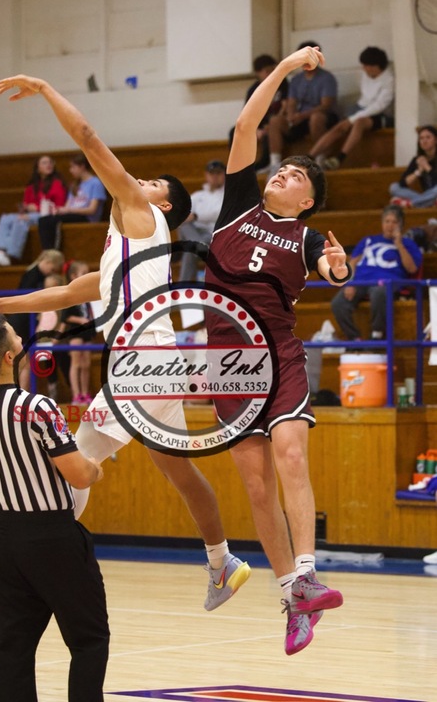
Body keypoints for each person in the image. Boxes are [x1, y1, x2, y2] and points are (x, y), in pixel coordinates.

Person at [0, 72, 251, 613]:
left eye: (153, 183)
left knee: (73, 459)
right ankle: (222, 561)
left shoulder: (140, 214)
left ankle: (37, 560)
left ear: (162, 206)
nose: (140, 181)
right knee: (176, 470)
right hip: (155, 363)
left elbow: (88, 139)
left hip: (144, 362)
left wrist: (46, 90)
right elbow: (68, 293)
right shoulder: (127, 250)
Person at [204, 44, 350, 656]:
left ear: (307, 200)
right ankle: (293, 597)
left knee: (291, 456)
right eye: (280, 170)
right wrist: (287, 67)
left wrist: (338, 269)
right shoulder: (237, 206)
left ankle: (308, 574)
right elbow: (246, 124)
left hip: (280, 355)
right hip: (227, 363)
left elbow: (332, 268)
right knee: (258, 489)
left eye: (295, 177)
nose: (282, 176)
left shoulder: (308, 235)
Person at [0, 314, 109, 701]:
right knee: (89, 639)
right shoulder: (37, 407)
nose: (21, 336)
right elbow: (79, 476)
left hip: (0, 540)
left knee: (10, 651)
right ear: (9, 356)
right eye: (15, 334)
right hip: (53, 538)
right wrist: (95, 466)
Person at [331, 204, 422, 342]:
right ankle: (354, 339)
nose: (390, 225)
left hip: (388, 282)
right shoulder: (368, 241)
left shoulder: (408, 244)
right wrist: (350, 282)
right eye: (387, 221)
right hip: (361, 281)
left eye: (394, 222)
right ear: (382, 223)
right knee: (338, 303)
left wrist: (399, 245)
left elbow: (412, 269)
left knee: (379, 292)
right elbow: (352, 263)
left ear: (401, 225)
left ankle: (377, 335)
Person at [309, 46, 394, 171]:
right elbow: (364, 99)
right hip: (362, 108)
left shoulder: (389, 80)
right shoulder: (366, 75)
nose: (364, 68)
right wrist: (351, 117)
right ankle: (309, 156)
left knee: (359, 123)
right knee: (340, 127)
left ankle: (340, 158)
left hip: (380, 114)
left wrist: (353, 118)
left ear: (375, 66)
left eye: (366, 66)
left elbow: (379, 106)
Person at [266, 40, 338, 175]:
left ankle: (320, 160)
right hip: (300, 118)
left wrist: (303, 115)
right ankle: (275, 164)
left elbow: (326, 105)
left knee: (316, 118)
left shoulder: (327, 78)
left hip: (321, 117)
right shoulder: (296, 79)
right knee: (275, 121)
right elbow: (292, 102)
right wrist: (291, 116)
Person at [0, 154, 67, 266]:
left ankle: (10, 255)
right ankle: (0, 252)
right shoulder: (31, 186)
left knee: (21, 220)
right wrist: (26, 208)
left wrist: (37, 208)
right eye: (44, 163)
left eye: (50, 162)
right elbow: (26, 203)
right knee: (6, 218)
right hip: (31, 214)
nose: (48, 165)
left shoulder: (57, 184)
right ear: (37, 168)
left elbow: (59, 206)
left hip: (47, 215)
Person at [8, 249, 65, 391]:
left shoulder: (36, 274)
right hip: (23, 321)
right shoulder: (32, 276)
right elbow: (27, 299)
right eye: (52, 269)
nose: (51, 273)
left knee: (25, 361)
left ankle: (21, 392)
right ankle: (20, 392)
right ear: (48, 262)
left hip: (26, 320)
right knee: (23, 361)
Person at [229, 54, 289, 171]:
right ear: (258, 73)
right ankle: (237, 165)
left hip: (274, 123)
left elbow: (285, 107)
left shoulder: (283, 83)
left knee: (270, 132)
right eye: (266, 71)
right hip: (259, 125)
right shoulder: (254, 89)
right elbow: (246, 115)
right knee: (235, 132)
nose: (270, 73)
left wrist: (270, 126)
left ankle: (265, 164)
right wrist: (255, 129)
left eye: (272, 70)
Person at [38, 153, 108, 250]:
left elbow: (92, 210)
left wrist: (69, 210)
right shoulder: (75, 185)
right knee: (44, 220)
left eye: (73, 167)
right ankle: (47, 251)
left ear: (82, 167)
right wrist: (59, 210)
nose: (71, 170)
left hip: (86, 217)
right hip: (72, 214)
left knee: (51, 221)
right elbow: (67, 207)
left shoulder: (95, 183)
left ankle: (52, 250)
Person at [177, 160, 226, 283]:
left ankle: (182, 285)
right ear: (206, 175)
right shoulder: (197, 196)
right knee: (182, 223)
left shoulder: (228, 195)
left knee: (190, 251)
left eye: (218, 173)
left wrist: (196, 216)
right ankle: (198, 245)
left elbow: (219, 214)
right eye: (212, 173)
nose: (215, 176)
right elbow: (183, 214)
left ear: (224, 175)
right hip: (195, 233)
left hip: (213, 234)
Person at [59, 261, 96, 405]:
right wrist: (80, 320)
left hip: (87, 331)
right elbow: (65, 316)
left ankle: (85, 394)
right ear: (74, 276)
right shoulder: (71, 293)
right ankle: (76, 395)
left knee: (86, 363)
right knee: (76, 363)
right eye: (84, 274)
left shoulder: (88, 292)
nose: (87, 276)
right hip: (75, 331)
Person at [389, 125, 437, 208]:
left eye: (428, 137)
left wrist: (427, 167)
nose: (424, 141)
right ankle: (426, 202)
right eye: (421, 138)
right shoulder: (417, 159)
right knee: (394, 187)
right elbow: (403, 183)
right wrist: (418, 172)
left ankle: (412, 203)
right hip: (429, 196)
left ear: (436, 140)